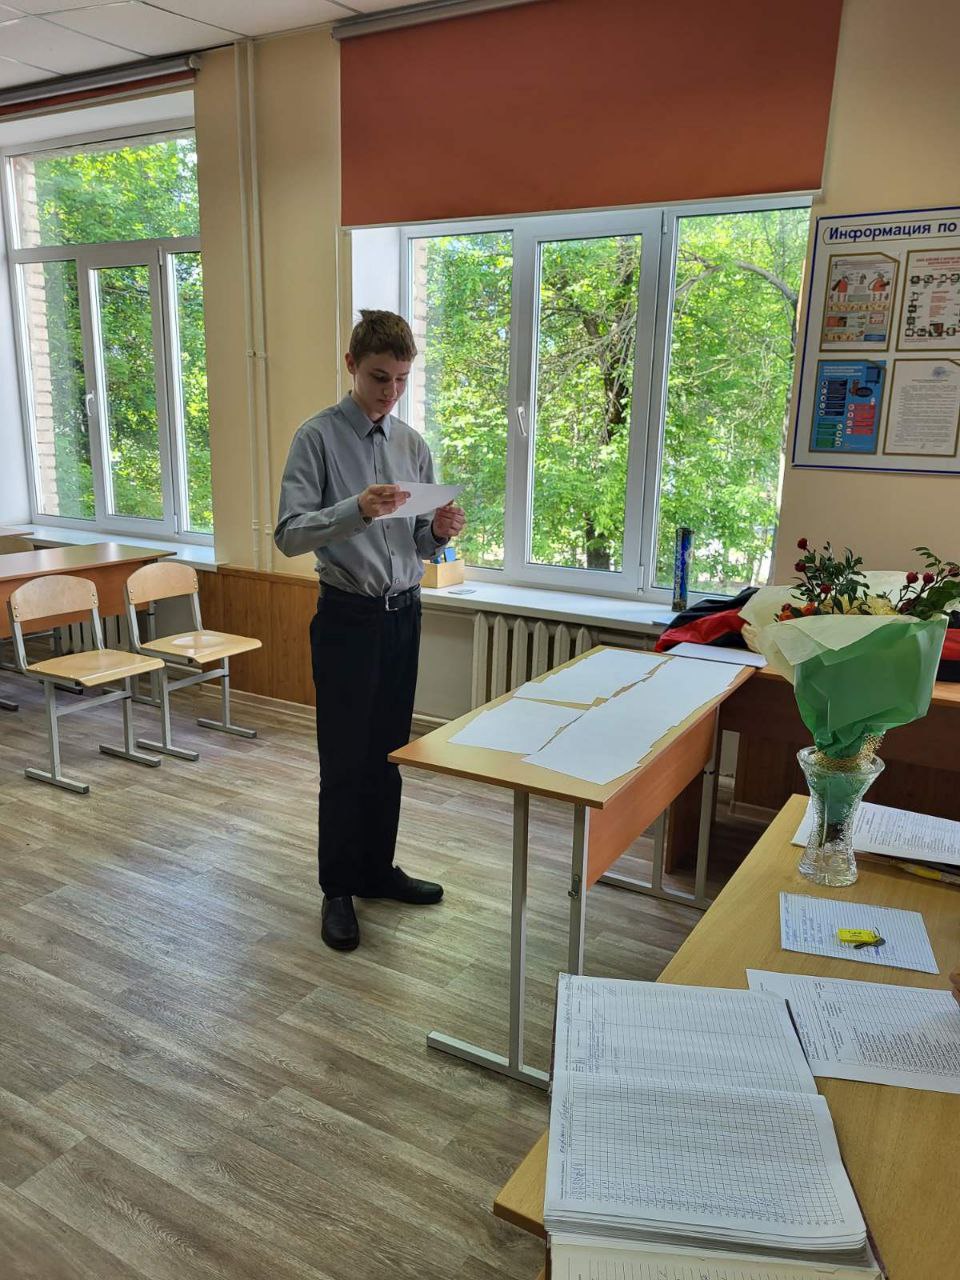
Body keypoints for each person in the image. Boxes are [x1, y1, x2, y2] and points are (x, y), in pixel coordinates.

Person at [274, 310, 466, 951]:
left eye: (402, 379)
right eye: (380, 377)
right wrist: (354, 509)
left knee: (387, 757)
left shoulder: (412, 444)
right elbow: (288, 535)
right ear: (352, 365)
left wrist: (437, 533)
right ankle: (337, 889)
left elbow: (420, 543)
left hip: (404, 615)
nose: (391, 391)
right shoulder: (317, 438)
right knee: (344, 762)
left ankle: (377, 872)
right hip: (348, 618)